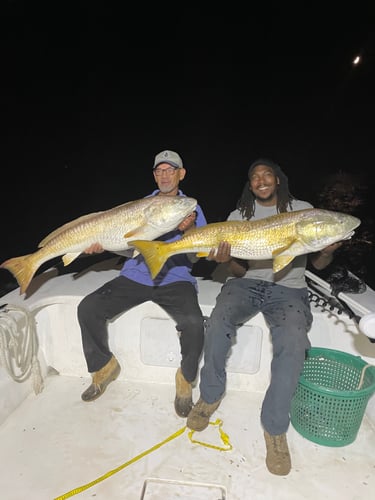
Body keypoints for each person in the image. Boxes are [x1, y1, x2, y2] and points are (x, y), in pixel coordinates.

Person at [186, 158, 342, 476]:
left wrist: (326, 250)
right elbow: (239, 269)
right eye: (254, 177)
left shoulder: (303, 210)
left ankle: (274, 427)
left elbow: (320, 265)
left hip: (290, 289)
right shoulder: (238, 216)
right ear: (250, 184)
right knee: (217, 324)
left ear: (278, 179)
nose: (261, 180)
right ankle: (209, 396)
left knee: (294, 341)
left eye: (266, 174)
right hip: (245, 284)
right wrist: (228, 260)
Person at [77, 150, 207, 419]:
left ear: (181, 174)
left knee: (194, 324)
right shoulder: (140, 206)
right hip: (136, 275)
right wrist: (102, 246)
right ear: (154, 176)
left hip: (175, 278)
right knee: (89, 307)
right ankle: (104, 366)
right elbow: (128, 249)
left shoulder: (190, 208)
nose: (164, 175)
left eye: (170, 170)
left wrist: (187, 231)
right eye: (159, 171)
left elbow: (197, 255)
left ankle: (185, 380)